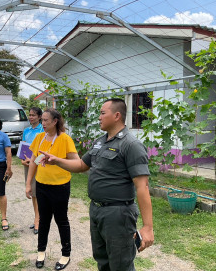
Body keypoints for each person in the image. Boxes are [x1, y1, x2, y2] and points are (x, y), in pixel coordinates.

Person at [39, 99, 154, 271]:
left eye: (102, 113)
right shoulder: (100, 142)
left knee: (120, 263)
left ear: (116, 116)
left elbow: (142, 187)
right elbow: (80, 165)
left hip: (118, 214)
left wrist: (148, 227)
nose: (99, 117)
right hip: (97, 210)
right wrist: (56, 161)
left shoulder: (131, 145)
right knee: (102, 260)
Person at [25, 108, 78, 270]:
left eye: (46, 120)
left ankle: (65, 254)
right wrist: (28, 184)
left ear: (55, 121)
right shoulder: (39, 137)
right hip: (42, 186)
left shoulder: (65, 139)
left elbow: (76, 162)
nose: (43, 123)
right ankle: (41, 251)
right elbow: (34, 159)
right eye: (42, 120)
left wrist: (58, 161)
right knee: (44, 220)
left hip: (60, 187)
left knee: (61, 220)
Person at [21, 107, 44, 235]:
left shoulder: (43, 131)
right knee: (32, 192)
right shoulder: (26, 131)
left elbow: (45, 150)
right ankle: (37, 217)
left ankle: (38, 219)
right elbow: (23, 147)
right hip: (27, 165)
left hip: (39, 165)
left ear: (40, 117)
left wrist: (34, 162)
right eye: (29, 115)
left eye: (33, 115)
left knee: (37, 193)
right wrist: (22, 160)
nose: (31, 117)